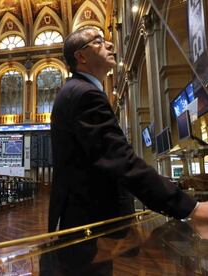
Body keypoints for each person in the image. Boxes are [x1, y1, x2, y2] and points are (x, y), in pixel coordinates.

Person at [45, 27, 208, 274]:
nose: (110, 44)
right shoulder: (85, 95)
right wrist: (189, 207)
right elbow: (120, 160)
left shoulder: (79, 91)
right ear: (81, 57)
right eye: (99, 42)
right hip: (86, 227)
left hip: (86, 225)